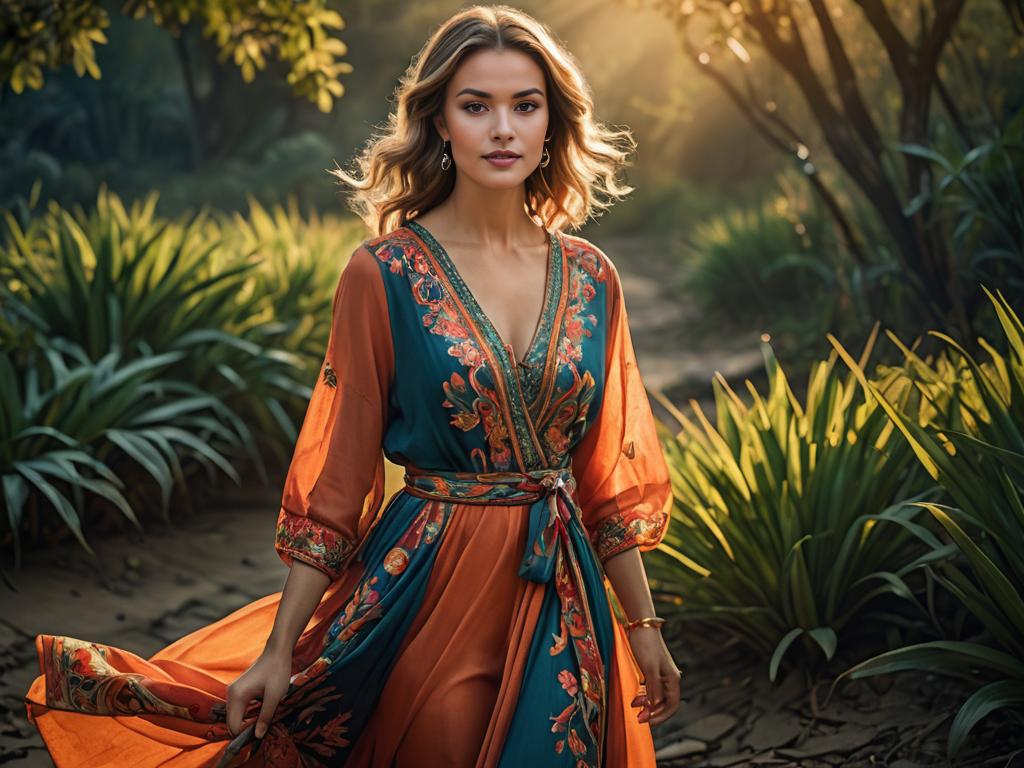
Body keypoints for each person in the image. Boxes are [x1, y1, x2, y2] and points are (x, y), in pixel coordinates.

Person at [24, 5, 683, 765]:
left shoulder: (593, 275)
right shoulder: (384, 274)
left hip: (563, 592)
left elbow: (606, 481)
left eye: (524, 106)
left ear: (550, 123)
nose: (502, 128)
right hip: (432, 584)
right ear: (439, 121)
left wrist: (644, 628)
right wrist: (278, 651)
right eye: (476, 106)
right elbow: (336, 484)